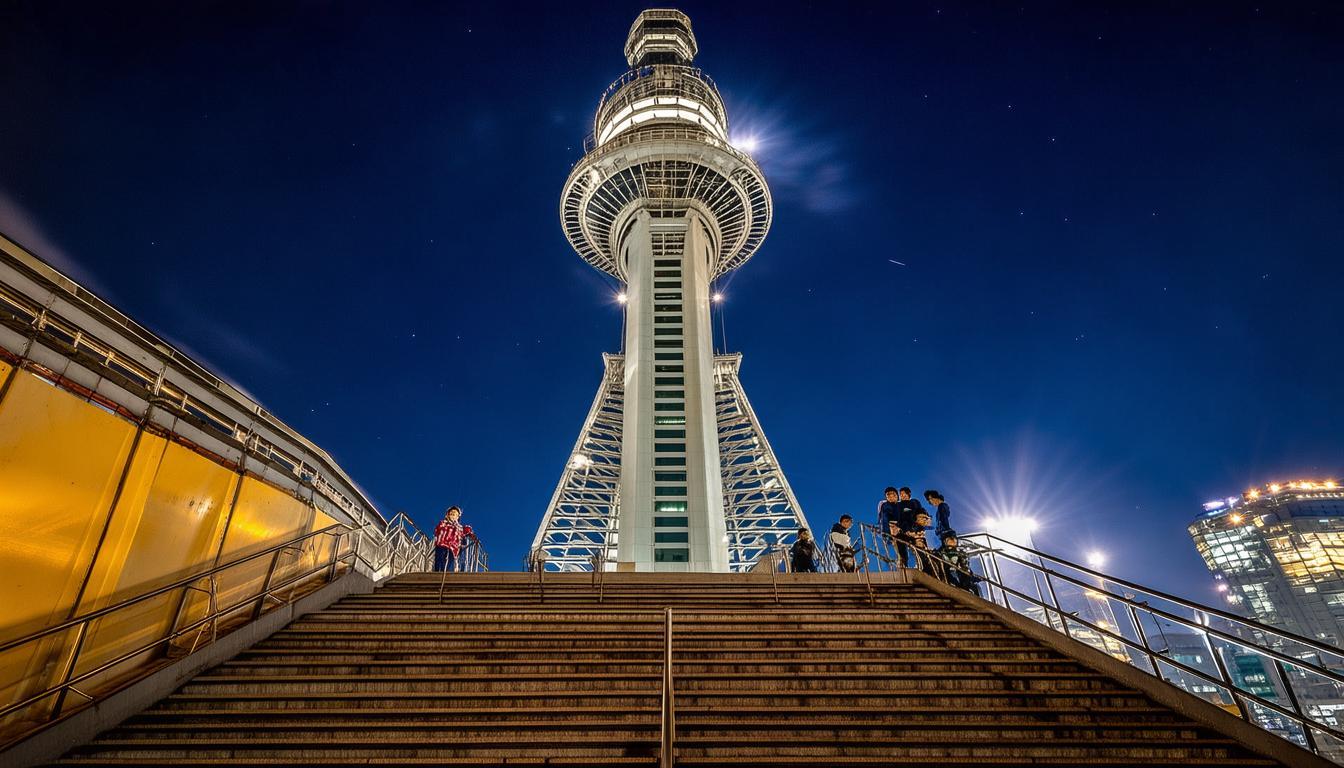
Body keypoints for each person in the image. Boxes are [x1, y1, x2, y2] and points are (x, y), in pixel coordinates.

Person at [893, 487, 926, 568]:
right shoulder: (899, 505)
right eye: (901, 494)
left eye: (904, 494)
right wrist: (905, 530)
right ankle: (903, 562)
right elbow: (899, 519)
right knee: (899, 540)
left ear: (909, 494)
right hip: (905, 530)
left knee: (920, 546)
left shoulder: (914, 502)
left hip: (916, 529)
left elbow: (920, 515)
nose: (902, 496)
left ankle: (924, 564)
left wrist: (920, 529)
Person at [433, 506, 474, 572]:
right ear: (447, 515)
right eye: (451, 513)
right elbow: (437, 531)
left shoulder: (460, 527)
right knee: (439, 559)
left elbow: (466, 531)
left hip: (453, 547)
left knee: (450, 562)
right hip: (441, 544)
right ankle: (437, 572)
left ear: (457, 517)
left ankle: (448, 573)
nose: (452, 514)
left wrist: (471, 534)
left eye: (455, 514)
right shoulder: (443, 523)